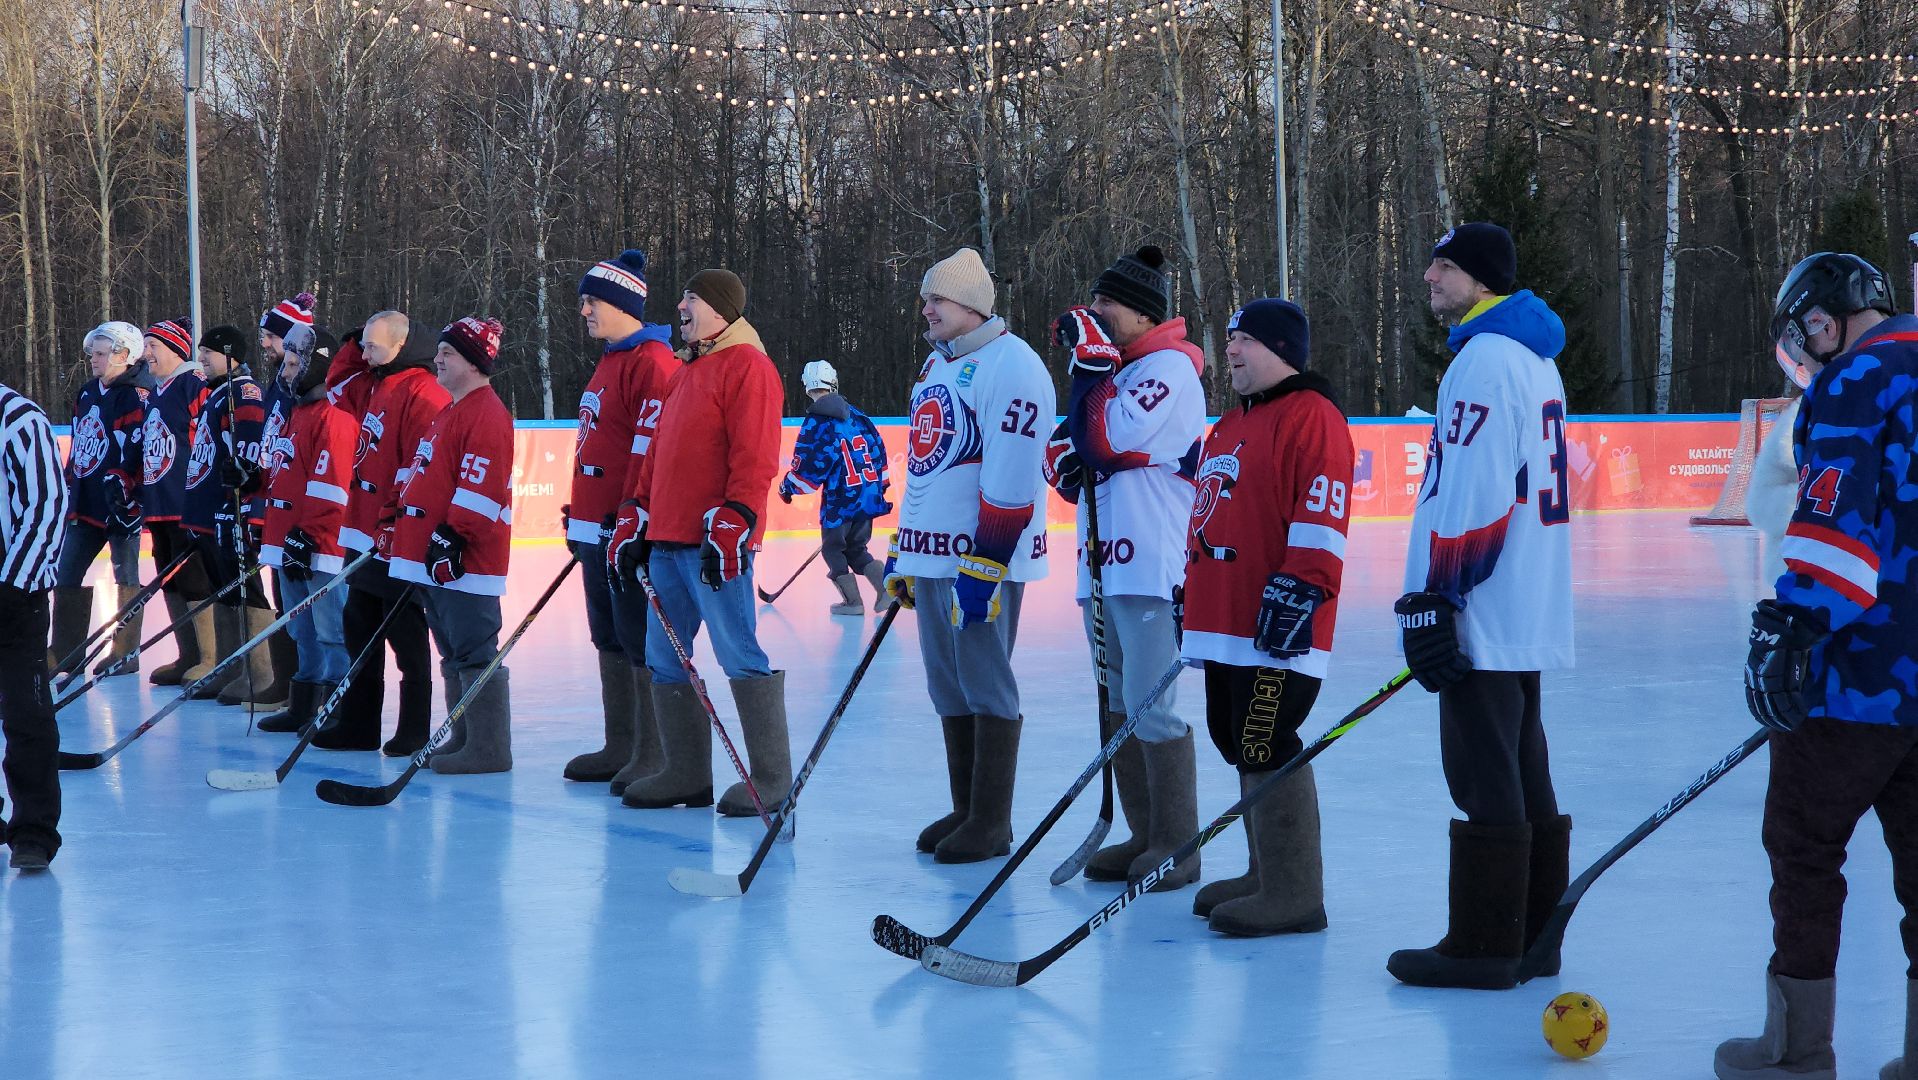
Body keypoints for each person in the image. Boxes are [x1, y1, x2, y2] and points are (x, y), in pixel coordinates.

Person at [1717, 252, 1918, 1080]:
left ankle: (1795, 1049)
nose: (1803, 344)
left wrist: (1791, 627)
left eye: (1804, 325)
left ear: (1828, 314)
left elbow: (1837, 535)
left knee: (1804, 848)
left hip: (1860, 680)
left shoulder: (1855, 381)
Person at [1385, 222, 1575, 991]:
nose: (1429, 274)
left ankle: (1486, 943)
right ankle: (1534, 936)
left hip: (1484, 605)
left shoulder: (1486, 359)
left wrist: (1437, 598)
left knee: (1482, 767)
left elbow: (1476, 492)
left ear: (1481, 279)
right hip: (1522, 600)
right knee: (1522, 762)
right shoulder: (1531, 359)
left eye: (1446, 265)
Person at [1178, 298, 1351, 931]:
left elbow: (1324, 512)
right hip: (1224, 622)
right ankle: (1264, 871)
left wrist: (1301, 590)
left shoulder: (1312, 415)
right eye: (1228, 338)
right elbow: (1212, 517)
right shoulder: (1227, 425)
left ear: (1280, 349)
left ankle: (1296, 892)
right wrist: (1190, 594)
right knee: (1234, 740)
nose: (1230, 350)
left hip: (1276, 625)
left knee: (1264, 739)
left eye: (1243, 339)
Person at [1041, 245, 1206, 893]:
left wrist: (1090, 369)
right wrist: (1073, 450)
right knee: (1116, 697)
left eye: (1106, 302)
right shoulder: (1121, 369)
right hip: (1104, 563)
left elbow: (1105, 440)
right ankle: (1142, 832)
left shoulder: (1168, 367)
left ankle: (1177, 845)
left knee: (1150, 702)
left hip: (1151, 564)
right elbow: (1071, 451)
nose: (1096, 311)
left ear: (1141, 312)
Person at [882, 247, 1053, 863]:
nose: (925, 308)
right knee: (945, 684)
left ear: (974, 305)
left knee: (985, 682)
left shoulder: (1013, 365)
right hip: (933, 559)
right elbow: (924, 470)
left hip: (980, 563)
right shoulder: (936, 366)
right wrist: (904, 552)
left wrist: (987, 563)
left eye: (937, 299)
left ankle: (991, 822)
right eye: (925, 298)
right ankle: (966, 807)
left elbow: (1010, 475)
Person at [607, 269, 790, 815]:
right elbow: (657, 453)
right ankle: (685, 773)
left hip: (713, 544)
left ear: (721, 309)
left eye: (692, 297)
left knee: (738, 651)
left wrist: (737, 517)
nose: (680, 305)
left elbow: (755, 455)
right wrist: (637, 511)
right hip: (665, 541)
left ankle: (772, 778)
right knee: (665, 658)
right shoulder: (685, 371)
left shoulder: (748, 367)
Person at [561, 250, 678, 789]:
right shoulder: (610, 358)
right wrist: (580, 514)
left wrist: (628, 514)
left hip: (625, 529)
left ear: (622, 303)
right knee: (607, 634)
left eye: (591, 301)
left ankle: (655, 755)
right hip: (595, 526)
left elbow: (646, 454)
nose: (583, 311)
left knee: (637, 637)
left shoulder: (652, 362)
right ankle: (621, 744)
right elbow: (599, 445)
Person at [388, 317, 516, 775]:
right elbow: (425, 475)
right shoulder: (451, 410)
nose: (437, 359)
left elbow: (481, 484)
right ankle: (464, 736)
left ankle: (489, 747)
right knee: (453, 651)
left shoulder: (486, 413)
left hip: (465, 562)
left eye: (449, 354)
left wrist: (455, 534)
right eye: (439, 350)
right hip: (432, 558)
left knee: (474, 650)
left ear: (476, 363)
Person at [319, 310, 447, 754]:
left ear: (401, 345)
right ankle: (359, 724)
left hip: (397, 532)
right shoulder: (373, 382)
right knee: (359, 624)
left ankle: (414, 727)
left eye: (374, 345)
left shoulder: (422, 390)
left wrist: (397, 518)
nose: (364, 353)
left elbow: (421, 463)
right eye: (365, 346)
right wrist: (356, 344)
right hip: (363, 530)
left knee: (405, 631)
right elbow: (336, 384)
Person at [253, 324, 359, 734]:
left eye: (296, 364)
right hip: (288, 541)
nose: (286, 372)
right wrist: (253, 480)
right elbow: (286, 474)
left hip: (319, 546)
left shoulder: (335, 418)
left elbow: (331, 486)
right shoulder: (298, 413)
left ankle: (336, 707)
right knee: (301, 627)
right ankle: (305, 701)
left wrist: (309, 534)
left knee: (330, 628)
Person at [229, 292, 319, 708]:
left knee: (298, 600)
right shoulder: (279, 383)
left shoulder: (300, 386)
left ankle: (300, 686)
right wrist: (252, 477)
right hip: (271, 503)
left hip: (295, 511)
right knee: (282, 593)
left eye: (269, 336)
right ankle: (287, 683)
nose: (263, 344)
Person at [48, 321, 152, 678]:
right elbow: (79, 447)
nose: (93, 358)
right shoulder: (88, 392)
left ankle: (126, 651)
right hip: (86, 503)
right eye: (92, 351)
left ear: (124, 356)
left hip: (120, 506)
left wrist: (131, 494)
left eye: (102, 352)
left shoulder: (135, 396)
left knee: (126, 576)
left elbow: (140, 452)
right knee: (66, 573)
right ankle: (65, 652)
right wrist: (67, 484)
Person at [179, 324, 271, 701]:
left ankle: (260, 674)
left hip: (226, 513)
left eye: (209, 353)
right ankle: (231, 667)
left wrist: (245, 481)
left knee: (244, 589)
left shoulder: (242, 392)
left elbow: (248, 453)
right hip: (206, 514)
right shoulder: (215, 393)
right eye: (200, 352)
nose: (201, 359)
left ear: (232, 356)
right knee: (224, 592)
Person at [0, 379, 69, 870]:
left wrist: (12, 585)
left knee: (26, 714)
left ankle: (34, 831)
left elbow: (47, 506)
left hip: (13, 595)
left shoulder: (18, 418)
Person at [778, 359, 892, 616]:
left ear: (807, 387)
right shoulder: (859, 416)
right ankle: (885, 589)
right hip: (868, 496)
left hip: (840, 503)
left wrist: (787, 488)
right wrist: (879, 487)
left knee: (833, 549)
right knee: (857, 549)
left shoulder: (816, 423)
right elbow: (879, 452)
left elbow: (808, 470)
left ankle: (853, 603)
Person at [139, 317, 217, 689]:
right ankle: (188, 652)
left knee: (194, 577)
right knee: (169, 581)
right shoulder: (156, 390)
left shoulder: (193, 383)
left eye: (152, 346)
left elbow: (209, 438)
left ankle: (211, 656)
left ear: (172, 348)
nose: (146, 354)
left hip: (185, 503)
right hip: (159, 503)